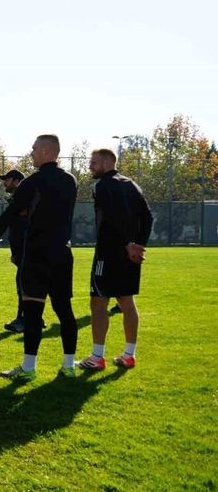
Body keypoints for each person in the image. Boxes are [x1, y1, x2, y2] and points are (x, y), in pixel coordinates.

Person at [0, 134, 79, 381]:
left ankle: (29, 369)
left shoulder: (33, 182)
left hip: (37, 255)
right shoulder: (70, 181)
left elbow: (9, 214)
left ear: (47, 151)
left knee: (33, 312)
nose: (31, 152)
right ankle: (69, 366)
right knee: (64, 310)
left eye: (34, 148)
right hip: (62, 253)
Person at [78, 149, 153, 371]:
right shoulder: (132, 185)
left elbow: (111, 218)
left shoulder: (101, 185)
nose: (90, 166)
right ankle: (129, 355)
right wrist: (137, 244)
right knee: (126, 302)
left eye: (93, 162)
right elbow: (148, 217)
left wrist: (127, 244)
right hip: (130, 255)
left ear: (106, 162)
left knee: (98, 303)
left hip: (109, 253)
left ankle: (97, 357)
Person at [0, 169, 28, 332]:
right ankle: (35, 317)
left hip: (27, 250)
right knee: (28, 284)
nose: (5, 183)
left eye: (7, 180)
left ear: (16, 181)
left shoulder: (24, 199)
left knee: (23, 285)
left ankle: (22, 319)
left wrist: (19, 251)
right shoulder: (19, 199)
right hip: (22, 250)